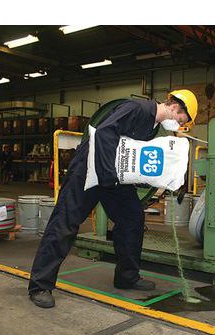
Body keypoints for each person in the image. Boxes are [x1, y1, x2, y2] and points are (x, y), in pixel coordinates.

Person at [28, 90, 198, 308]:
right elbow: (105, 132)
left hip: (113, 177)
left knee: (132, 218)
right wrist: (108, 175)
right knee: (65, 222)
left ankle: (127, 277)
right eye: (182, 120)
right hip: (89, 170)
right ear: (175, 107)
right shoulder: (137, 108)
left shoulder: (153, 127)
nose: (179, 124)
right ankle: (40, 285)